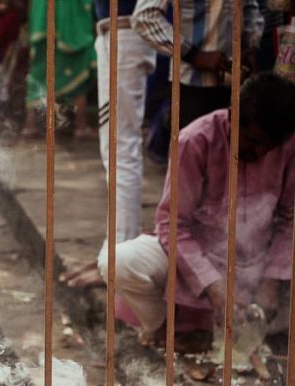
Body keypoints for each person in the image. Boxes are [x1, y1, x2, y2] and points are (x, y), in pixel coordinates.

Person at [98, 73, 295, 351]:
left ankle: (220, 329)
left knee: (264, 327)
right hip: (194, 262)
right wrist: (213, 286)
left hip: (257, 270)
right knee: (117, 262)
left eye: (269, 146)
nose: (260, 152)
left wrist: (273, 281)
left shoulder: (288, 146)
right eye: (252, 141)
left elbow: (289, 221)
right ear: (232, 115)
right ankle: (168, 329)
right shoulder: (195, 140)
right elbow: (172, 225)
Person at [62, 0, 158, 288]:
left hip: (127, 33)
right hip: (121, 32)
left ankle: (120, 255)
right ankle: (115, 251)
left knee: (120, 150)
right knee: (117, 149)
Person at [132, 0, 264, 128]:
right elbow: (144, 17)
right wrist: (193, 54)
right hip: (193, 87)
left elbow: (249, 7)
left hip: (236, 85)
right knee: (192, 146)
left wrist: (252, 46)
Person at [23, 0, 98, 139]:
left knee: (39, 73)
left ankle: (30, 125)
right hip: (70, 26)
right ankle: (81, 126)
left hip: (42, 21)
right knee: (77, 71)